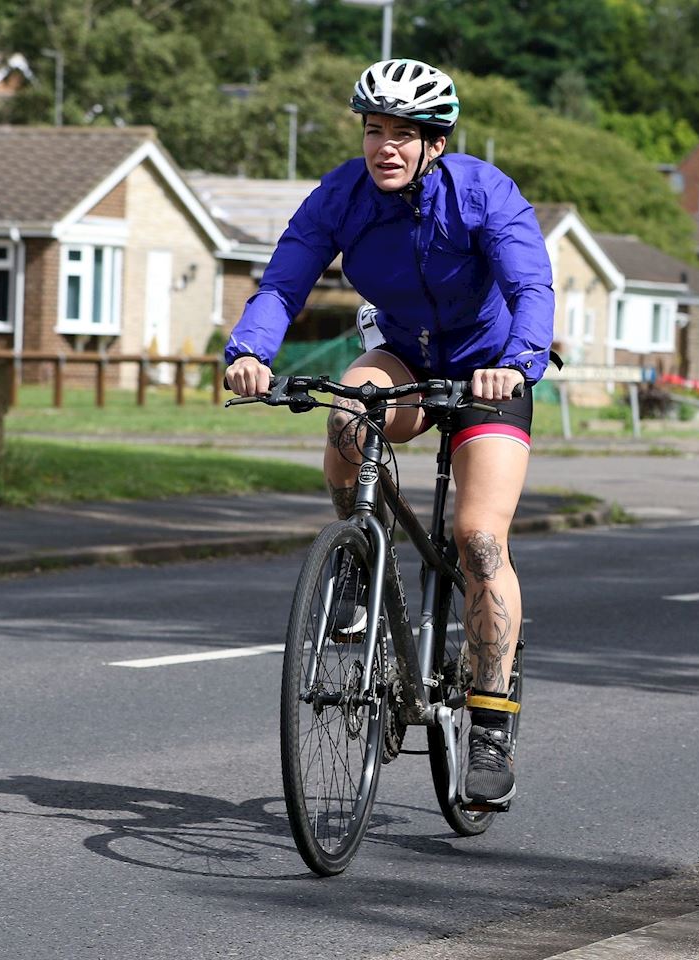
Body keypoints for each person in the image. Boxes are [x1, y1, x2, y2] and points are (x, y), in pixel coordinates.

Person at [224, 58, 554, 809]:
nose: (387, 147)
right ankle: (354, 572)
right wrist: (249, 351)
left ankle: (492, 721)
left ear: (435, 143)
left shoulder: (481, 194)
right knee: (349, 420)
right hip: (403, 353)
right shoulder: (342, 195)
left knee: (477, 539)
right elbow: (284, 282)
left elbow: (530, 286)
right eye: (375, 130)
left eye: (405, 134)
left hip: (485, 371)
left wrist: (519, 363)